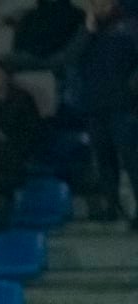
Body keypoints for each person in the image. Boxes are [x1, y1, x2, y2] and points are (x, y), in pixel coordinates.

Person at [66, 0, 138, 223]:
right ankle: (111, 206)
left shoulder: (130, 25)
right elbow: (70, 58)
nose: (97, 7)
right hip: (95, 106)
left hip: (124, 106)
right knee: (104, 160)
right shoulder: (86, 29)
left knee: (131, 159)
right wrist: (87, 32)